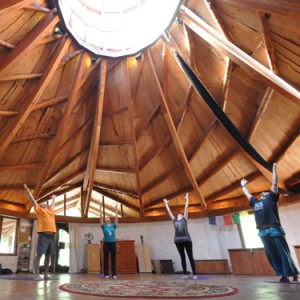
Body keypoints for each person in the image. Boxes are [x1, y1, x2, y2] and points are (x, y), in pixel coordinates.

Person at [240, 163, 299, 283]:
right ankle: (283, 274)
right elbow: (247, 194)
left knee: (283, 253)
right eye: (263, 192)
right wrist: (243, 186)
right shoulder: (255, 203)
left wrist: (274, 170)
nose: (265, 191)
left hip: (274, 229)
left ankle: (292, 273)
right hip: (262, 232)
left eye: (268, 191)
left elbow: (275, 184)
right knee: (271, 255)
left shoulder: (271, 198)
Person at [24, 184, 56, 280]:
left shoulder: (50, 211)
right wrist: (28, 191)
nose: (44, 204)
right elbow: (33, 200)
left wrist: (54, 198)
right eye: (42, 203)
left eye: (45, 204)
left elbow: (53, 204)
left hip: (52, 236)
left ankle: (46, 274)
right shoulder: (39, 210)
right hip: (43, 235)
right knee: (39, 254)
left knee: (48, 256)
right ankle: (37, 275)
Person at [163, 193, 197, 280]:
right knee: (182, 257)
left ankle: (194, 274)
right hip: (178, 241)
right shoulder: (174, 220)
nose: (179, 214)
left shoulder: (184, 219)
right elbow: (169, 212)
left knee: (190, 256)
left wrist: (187, 200)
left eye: (181, 214)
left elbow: (186, 209)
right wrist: (166, 204)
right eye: (178, 214)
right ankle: (185, 274)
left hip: (187, 240)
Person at [100, 202, 118, 279]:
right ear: (105, 220)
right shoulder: (103, 226)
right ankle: (106, 274)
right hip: (106, 244)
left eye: (108, 218)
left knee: (113, 259)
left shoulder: (114, 225)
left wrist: (116, 209)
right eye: (106, 218)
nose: (107, 218)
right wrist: (100, 209)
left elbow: (116, 218)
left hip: (113, 244)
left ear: (110, 220)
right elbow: (100, 218)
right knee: (106, 259)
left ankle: (114, 274)